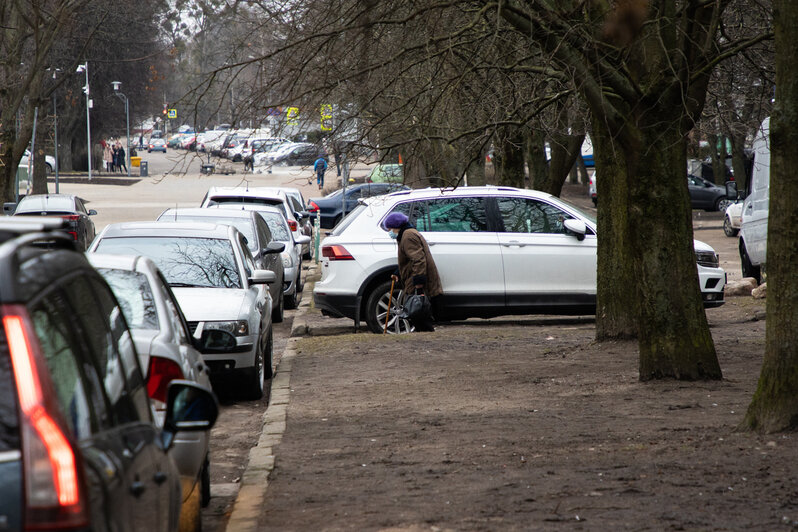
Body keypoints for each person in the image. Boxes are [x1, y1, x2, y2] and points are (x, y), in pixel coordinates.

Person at [384, 212, 443, 332]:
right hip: (413, 277)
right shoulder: (406, 234)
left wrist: (419, 283)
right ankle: (424, 334)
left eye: (390, 228)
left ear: (396, 226)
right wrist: (398, 272)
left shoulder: (407, 236)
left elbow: (418, 259)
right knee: (417, 311)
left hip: (415, 278)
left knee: (417, 311)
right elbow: (409, 259)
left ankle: (426, 335)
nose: (389, 232)